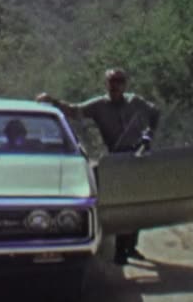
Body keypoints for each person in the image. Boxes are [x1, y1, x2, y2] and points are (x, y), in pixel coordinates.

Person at [36, 68, 160, 265]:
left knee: (139, 202)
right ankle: (120, 250)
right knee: (122, 203)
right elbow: (75, 111)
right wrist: (52, 101)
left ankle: (131, 246)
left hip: (138, 155)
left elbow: (155, 112)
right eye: (111, 82)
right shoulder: (99, 105)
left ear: (125, 84)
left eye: (119, 82)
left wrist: (148, 134)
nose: (115, 86)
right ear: (106, 84)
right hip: (116, 158)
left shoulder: (135, 102)